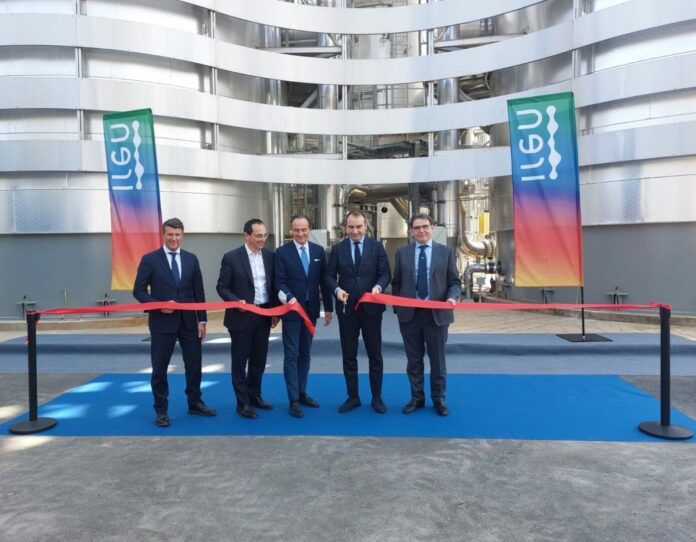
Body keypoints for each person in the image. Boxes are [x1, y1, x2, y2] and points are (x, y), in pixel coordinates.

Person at [133, 217, 217, 427]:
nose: (174, 238)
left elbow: (198, 292)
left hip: (189, 322)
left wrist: (202, 320)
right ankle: (161, 410)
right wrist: (158, 305)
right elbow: (139, 291)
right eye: (170, 234)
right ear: (163, 235)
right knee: (160, 368)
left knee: (194, 364)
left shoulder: (191, 259)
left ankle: (195, 402)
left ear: (182, 235)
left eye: (177, 235)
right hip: (162, 323)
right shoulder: (150, 259)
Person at [391, 213, 461, 417]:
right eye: (417, 227)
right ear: (411, 231)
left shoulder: (446, 252)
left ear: (432, 228)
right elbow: (397, 283)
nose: (421, 230)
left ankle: (439, 400)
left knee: (437, 361)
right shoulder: (402, 253)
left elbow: (455, 282)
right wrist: (398, 309)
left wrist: (452, 297)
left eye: (425, 226)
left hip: (436, 315)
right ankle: (417, 398)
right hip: (409, 316)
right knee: (413, 360)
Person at [326, 210, 391, 414]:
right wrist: (337, 290)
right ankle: (353, 397)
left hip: (372, 309)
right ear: (345, 228)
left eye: (359, 226)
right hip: (347, 310)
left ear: (366, 226)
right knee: (349, 354)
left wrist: (378, 287)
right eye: (351, 227)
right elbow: (329, 276)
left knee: (375, 355)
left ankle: (377, 397)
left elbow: (385, 274)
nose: (355, 230)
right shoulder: (337, 249)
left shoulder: (377, 247)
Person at [216, 218, 279, 420]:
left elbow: (273, 286)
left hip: (264, 315)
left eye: (264, 235)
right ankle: (242, 403)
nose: (262, 239)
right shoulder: (231, 257)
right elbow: (222, 287)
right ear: (246, 235)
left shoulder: (270, 256)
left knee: (259, 360)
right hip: (241, 317)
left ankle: (255, 396)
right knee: (240, 362)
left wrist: (275, 310)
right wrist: (236, 301)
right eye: (258, 235)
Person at [275, 214, 333, 418]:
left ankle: (302, 392)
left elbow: (324, 280)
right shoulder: (281, 253)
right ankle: (293, 399)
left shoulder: (318, 251)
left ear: (310, 229)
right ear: (291, 230)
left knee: (305, 353)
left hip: (311, 310)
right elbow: (279, 282)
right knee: (291, 354)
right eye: (296, 230)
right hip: (291, 311)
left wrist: (328, 308)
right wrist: (289, 298)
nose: (300, 233)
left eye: (303, 229)